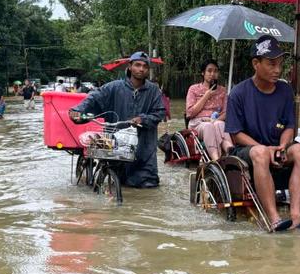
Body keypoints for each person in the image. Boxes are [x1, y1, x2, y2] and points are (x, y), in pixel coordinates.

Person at [225, 35, 300, 231]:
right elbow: (235, 134)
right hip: (248, 150)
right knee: (261, 153)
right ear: (256, 63)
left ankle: (296, 214)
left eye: (280, 64)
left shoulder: (285, 91)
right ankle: (274, 218)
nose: (278, 70)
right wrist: (264, 148)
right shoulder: (238, 94)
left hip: (278, 147)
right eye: (271, 64)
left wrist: (282, 145)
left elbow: (289, 126)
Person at [69, 52, 166, 188]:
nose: (141, 69)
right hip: (116, 148)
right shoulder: (113, 87)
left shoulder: (154, 91)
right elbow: (94, 98)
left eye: (145, 66)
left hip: (145, 151)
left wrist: (142, 119)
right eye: (137, 65)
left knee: (148, 188)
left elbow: (160, 112)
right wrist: (78, 110)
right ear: (130, 66)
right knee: (114, 182)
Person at [185, 59, 233, 161]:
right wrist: (206, 95)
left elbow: (226, 112)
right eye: (209, 71)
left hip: (216, 121)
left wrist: (215, 120)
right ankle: (216, 159)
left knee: (219, 124)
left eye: (215, 71)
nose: (213, 74)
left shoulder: (222, 90)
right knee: (208, 126)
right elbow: (190, 113)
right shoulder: (193, 89)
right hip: (198, 122)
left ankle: (230, 151)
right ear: (203, 73)